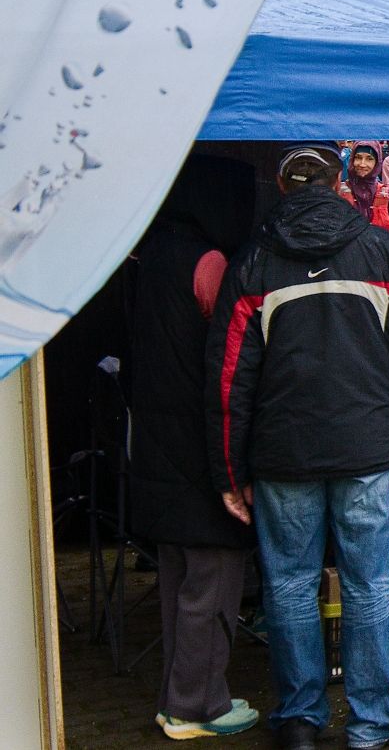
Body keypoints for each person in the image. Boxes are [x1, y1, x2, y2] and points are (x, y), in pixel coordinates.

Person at [208, 145, 389, 750]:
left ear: (282, 185)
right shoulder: (383, 251)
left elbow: (229, 380)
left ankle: (300, 720)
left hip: (284, 452)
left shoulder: (254, 262)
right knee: (368, 584)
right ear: (340, 182)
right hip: (367, 446)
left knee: (290, 584)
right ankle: (373, 722)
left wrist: (230, 470)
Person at [130, 155, 261, 741]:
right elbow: (229, 358)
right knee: (212, 582)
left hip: (158, 442)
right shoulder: (209, 262)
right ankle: (197, 705)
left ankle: (174, 698)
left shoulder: (152, 253)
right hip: (200, 445)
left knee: (178, 581)